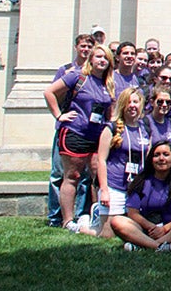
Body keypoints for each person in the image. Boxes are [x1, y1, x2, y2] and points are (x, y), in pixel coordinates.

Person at [43, 44, 117, 231]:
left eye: (106, 58)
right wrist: (59, 115)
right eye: (99, 56)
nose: (102, 60)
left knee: (97, 176)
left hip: (97, 136)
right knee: (73, 176)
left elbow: (110, 110)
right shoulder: (77, 76)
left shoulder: (108, 83)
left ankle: (94, 215)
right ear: (91, 59)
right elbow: (49, 92)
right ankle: (68, 220)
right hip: (75, 133)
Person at [110, 141, 171, 251]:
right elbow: (132, 212)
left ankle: (144, 245)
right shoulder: (141, 180)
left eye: (166, 154)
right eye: (156, 155)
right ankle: (159, 247)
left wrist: (165, 229)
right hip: (145, 229)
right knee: (117, 221)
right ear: (151, 160)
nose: (161, 158)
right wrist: (151, 227)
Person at [92, 87, 150, 238]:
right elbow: (101, 160)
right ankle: (84, 225)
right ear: (122, 105)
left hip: (135, 187)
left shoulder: (145, 128)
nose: (132, 106)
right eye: (128, 102)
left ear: (141, 105)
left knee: (132, 230)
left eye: (136, 102)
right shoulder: (111, 128)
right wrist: (104, 190)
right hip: (114, 185)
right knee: (107, 235)